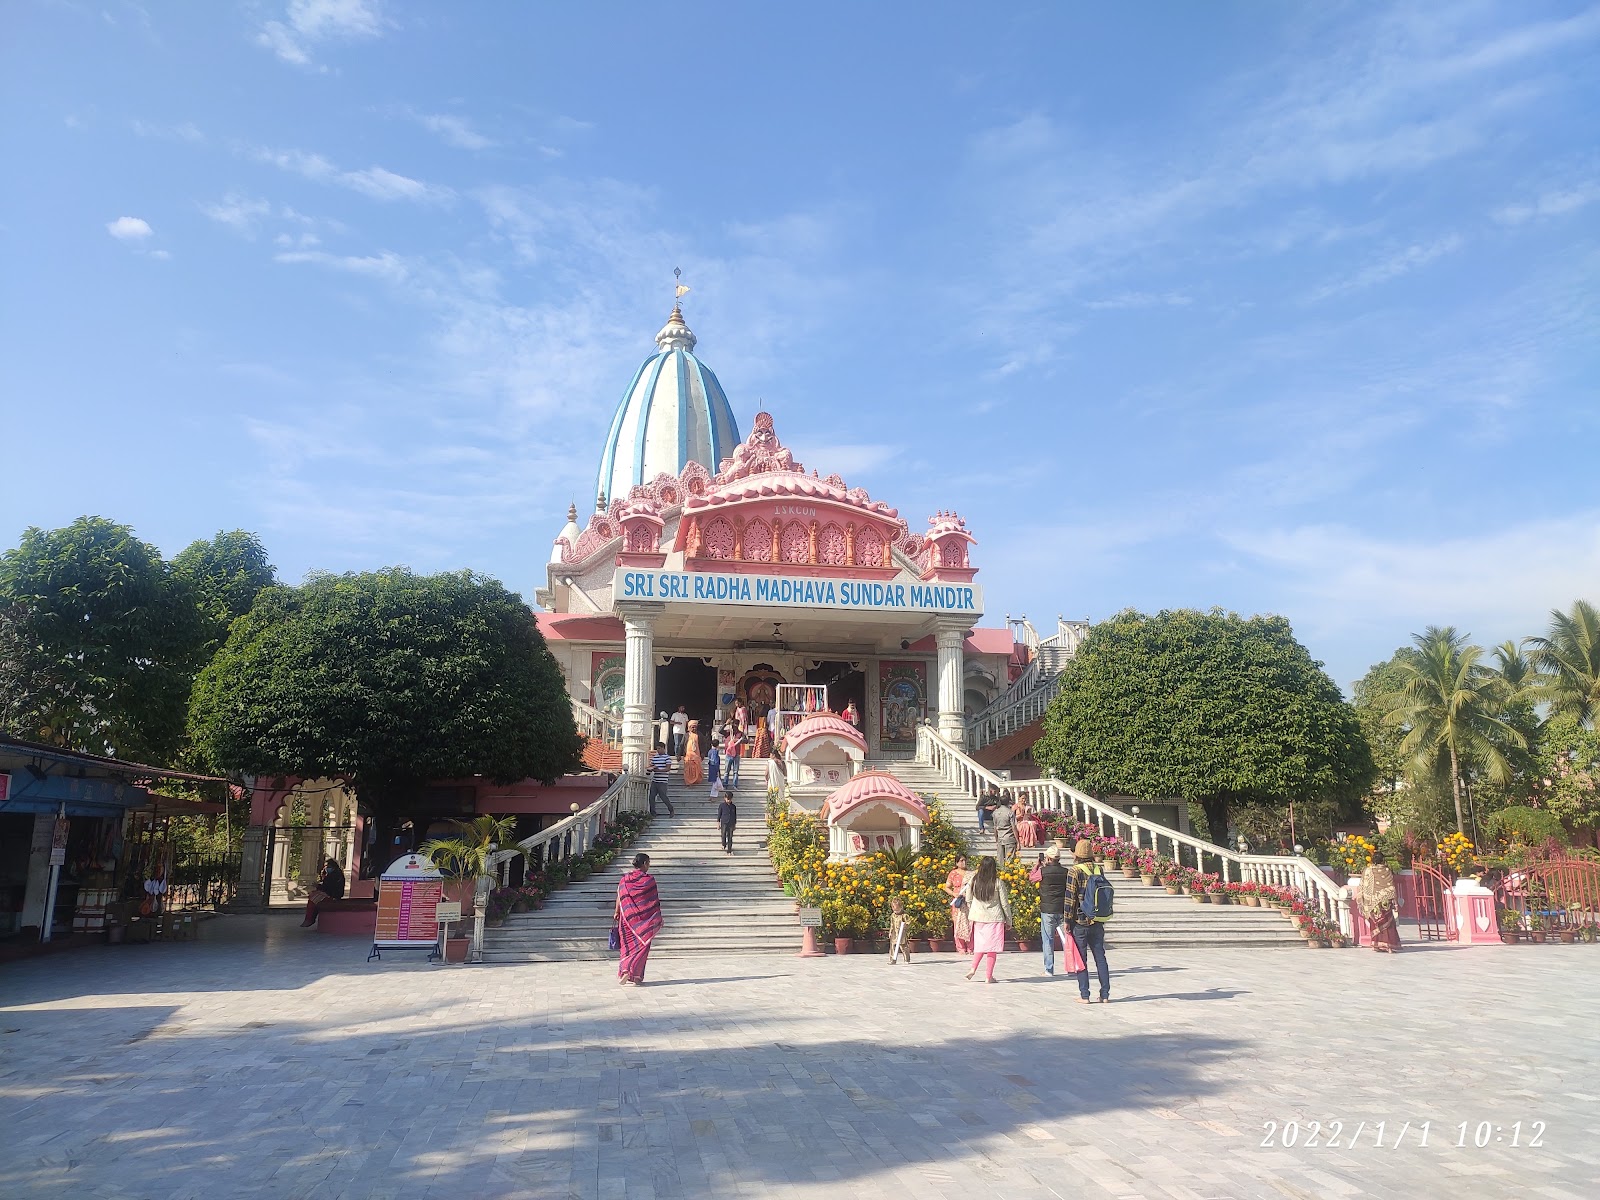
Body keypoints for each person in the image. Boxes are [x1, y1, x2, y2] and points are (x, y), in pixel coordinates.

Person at [1068, 838, 1112, 1003]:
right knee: (1100, 956)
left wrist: (1066, 920)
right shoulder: (1098, 869)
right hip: (1098, 919)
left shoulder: (1075, 871)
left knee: (1081, 958)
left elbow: (1070, 898)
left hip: (1080, 921)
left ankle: (1084, 994)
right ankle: (1105, 994)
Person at [614, 853, 663, 985]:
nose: (649, 866)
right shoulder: (649, 880)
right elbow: (652, 901)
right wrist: (657, 916)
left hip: (627, 918)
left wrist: (617, 911)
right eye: (649, 863)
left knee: (627, 946)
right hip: (644, 920)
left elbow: (620, 895)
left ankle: (625, 970)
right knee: (643, 945)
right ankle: (635, 975)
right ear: (645, 863)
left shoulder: (625, 879)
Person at [961, 856, 1011, 983]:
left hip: (979, 918)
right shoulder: (998, 882)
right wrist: (1008, 919)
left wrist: (974, 908)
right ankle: (989, 976)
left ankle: (973, 968)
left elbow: (968, 898)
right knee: (992, 949)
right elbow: (1004, 903)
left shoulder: (974, 880)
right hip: (994, 918)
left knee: (980, 946)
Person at [1034, 846, 1069, 975]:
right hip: (1062, 908)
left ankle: (1049, 969)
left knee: (1048, 939)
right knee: (1066, 939)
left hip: (1047, 909)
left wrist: (1037, 865)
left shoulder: (1043, 872)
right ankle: (1070, 966)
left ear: (1047, 858)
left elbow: (1032, 877)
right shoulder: (1065, 871)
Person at [1360, 850, 1401, 953]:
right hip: (1385, 900)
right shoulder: (1387, 870)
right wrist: (1395, 902)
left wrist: (1365, 901)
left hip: (1373, 901)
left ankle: (1376, 944)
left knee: (1375, 923)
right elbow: (1391, 886)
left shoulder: (1368, 870)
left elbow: (1364, 886)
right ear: (1383, 860)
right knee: (1388, 923)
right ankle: (1389, 946)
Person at [300, 856, 345, 927]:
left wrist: (317, 886)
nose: (326, 868)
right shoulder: (335, 873)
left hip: (333, 895)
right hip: (332, 893)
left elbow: (328, 887)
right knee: (313, 896)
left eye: (327, 866)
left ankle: (310, 919)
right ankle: (310, 918)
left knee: (313, 899)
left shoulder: (335, 875)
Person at [944, 855, 974, 954]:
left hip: (968, 901)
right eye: (961, 860)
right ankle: (960, 947)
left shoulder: (971, 873)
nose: (964, 862)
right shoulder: (953, 874)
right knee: (958, 924)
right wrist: (954, 894)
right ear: (956, 863)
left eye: (965, 860)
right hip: (958, 901)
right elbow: (947, 887)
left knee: (969, 923)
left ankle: (970, 947)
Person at [647, 742, 676, 816]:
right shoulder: (655, 757)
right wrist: (650, 769)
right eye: (657, 749)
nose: (658, 750)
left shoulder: (667, 758)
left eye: (659, 748)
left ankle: (671, 809)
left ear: (663, 748)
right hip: (655, 780)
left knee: (663, 796)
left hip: (663, 781)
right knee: (651, 797)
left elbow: (668, 769)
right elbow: (651, 766)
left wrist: (658, 770)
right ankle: (653, 813)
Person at [992, 794, 1019, 862]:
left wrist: (996, 840)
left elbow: (995, 828)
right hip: (1009, 838)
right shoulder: (1010, 812)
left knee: (1000, 861)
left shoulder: (995, 813)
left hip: (1000, 838)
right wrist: (1018, 841)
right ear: (1008, 802)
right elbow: (1014, 827)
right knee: (1010, 861)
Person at [887, 896, 912, 964]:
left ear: (901, 908)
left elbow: (908, 922)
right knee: (893, 947)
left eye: (898, 910)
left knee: (903, 946)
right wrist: (890, 932)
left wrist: (905, 925)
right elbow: (892, 925)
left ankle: (906, 959)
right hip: (895, 933)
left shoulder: (904, 915)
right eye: (894, 910)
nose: (896, 912)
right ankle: (893, 959)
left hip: (901, 934)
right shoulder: (893, 915)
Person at [682, 720, 704, 786]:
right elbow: (682, 744)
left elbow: (703, 744)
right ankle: (689, 782)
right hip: (688, 756)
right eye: (692, 727)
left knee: (697, 769)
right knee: (688, 770)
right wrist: (678, 754)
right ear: (689, 727)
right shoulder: (686, 735)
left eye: (695, 727)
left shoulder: (699, 735)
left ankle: (696, 781)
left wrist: (703, 753)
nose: (694, 728)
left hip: (696, 756)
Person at [724, 724, 744, 790]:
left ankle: (735, 785)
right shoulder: (728, 733)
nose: (734, 727)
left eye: (735, 725)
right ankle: (725, 785)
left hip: (736, 754)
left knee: (735, 771)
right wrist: (726, 724)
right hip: (728, 754)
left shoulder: (740, 733)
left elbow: (746, 740)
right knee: (727, 771)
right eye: (733, 726)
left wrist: (738, 740)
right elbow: (720, 731)